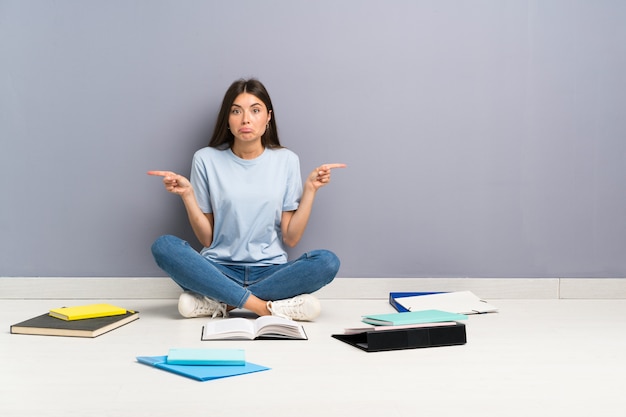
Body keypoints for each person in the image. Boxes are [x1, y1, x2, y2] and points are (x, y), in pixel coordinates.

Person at [148, 78, 346, 322]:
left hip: (271, 272)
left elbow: (291, 237)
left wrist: (310, 190)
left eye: (255, 110)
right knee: (164, 246)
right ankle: (266, 307)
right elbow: (207, 239)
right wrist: (188, 195)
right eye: (236, 111)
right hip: (217, 270)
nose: (246, 119)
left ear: (268, 117)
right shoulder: (205, 159)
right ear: (227, 119)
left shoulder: (287, 161)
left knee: (327, 262)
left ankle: (221, 303)